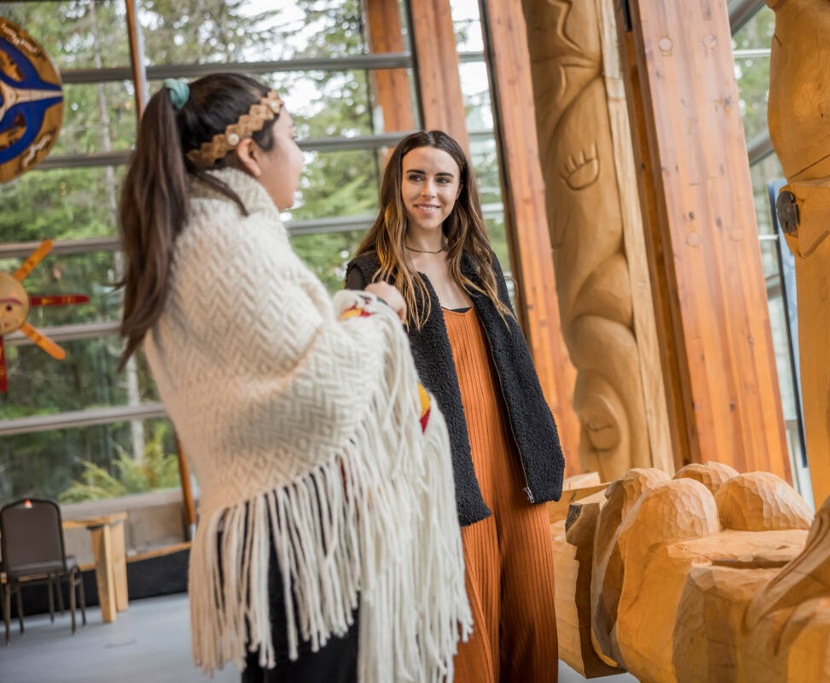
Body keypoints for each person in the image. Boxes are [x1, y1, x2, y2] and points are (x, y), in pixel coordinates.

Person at [117, 75, 470, 682]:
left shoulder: (198, 232)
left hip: (278, 521)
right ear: (252, 152)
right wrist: (377, 311)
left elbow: (281, 357)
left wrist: (349, 313)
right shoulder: (228, 240)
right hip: (301, 530)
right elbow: (319, 392)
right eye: (294, 139)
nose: (303, 158)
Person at [345, 130, 564, 683]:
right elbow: (367, 383)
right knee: (466, 626)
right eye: (416, 176)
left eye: (443, 178)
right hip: (444, 472)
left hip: (515, 465)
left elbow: (517, 366)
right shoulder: (371, 271)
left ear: (460, 188)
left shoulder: (480, 264)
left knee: (533, 618)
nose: (429, 191)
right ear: (397, 184)